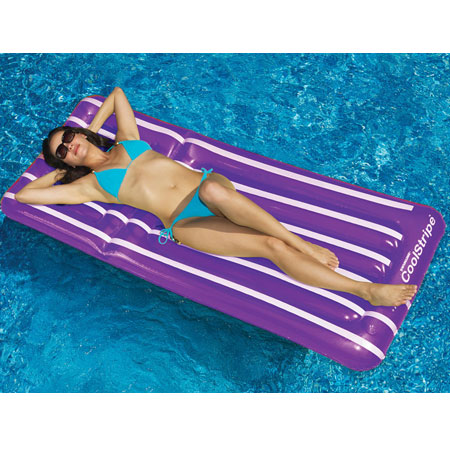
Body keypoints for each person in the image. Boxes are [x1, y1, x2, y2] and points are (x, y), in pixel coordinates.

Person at [15, 87, 417, 307]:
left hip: (209, 190)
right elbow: (25, 196)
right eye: (62, 150)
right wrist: (60, 171)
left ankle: (304, 245)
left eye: (70, 137)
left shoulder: (127, 140)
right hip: (185, 222)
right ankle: (364, 290)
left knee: (211, 188)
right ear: (64, 162)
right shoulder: (89, 186)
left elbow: (118, 94)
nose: (71, 145)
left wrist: (88, 125)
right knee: (269, 246)